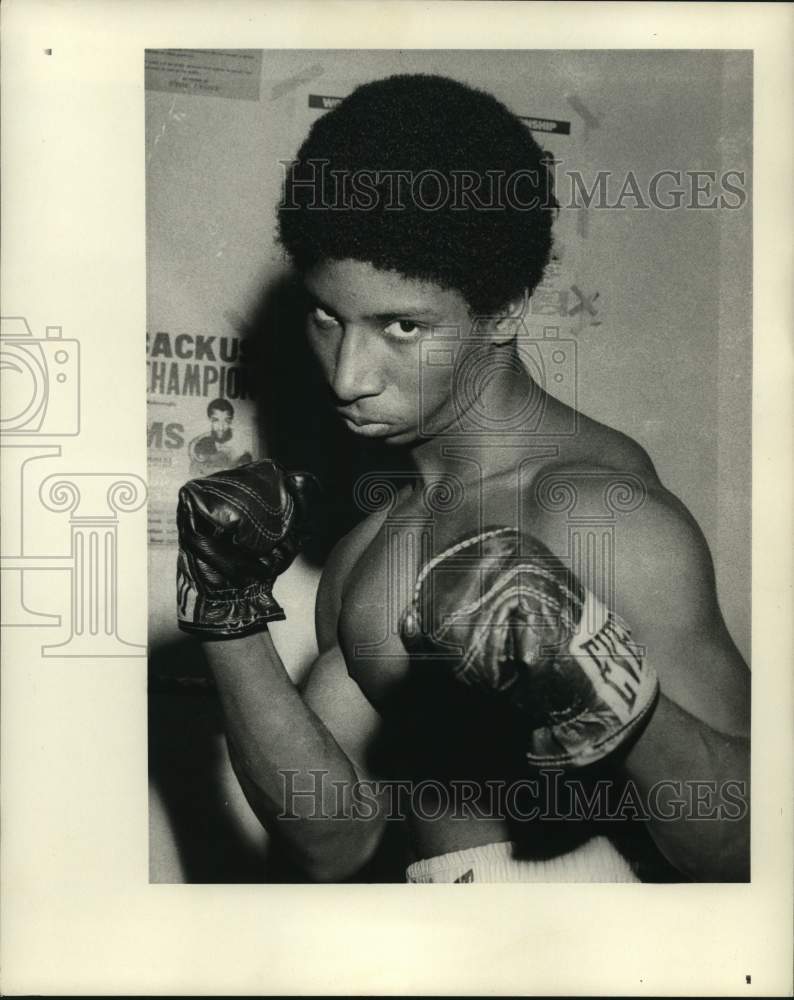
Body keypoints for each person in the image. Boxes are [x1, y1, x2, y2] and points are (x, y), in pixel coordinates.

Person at [175, 74, 750, 883]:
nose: (347, 376)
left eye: (401, 327)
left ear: (507, 308)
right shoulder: (374, 543)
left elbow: (748, 847)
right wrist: (225, 615)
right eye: (326, 318)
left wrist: (618, 696)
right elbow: (334, 840)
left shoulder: (601, 515)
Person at [187, 397, 253, 477]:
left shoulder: (243, 445)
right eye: (216, 420)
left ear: (231, 420)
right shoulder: (198, 443)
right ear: (209, 419)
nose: (221, 427)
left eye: (226, 421)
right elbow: (194, 472)